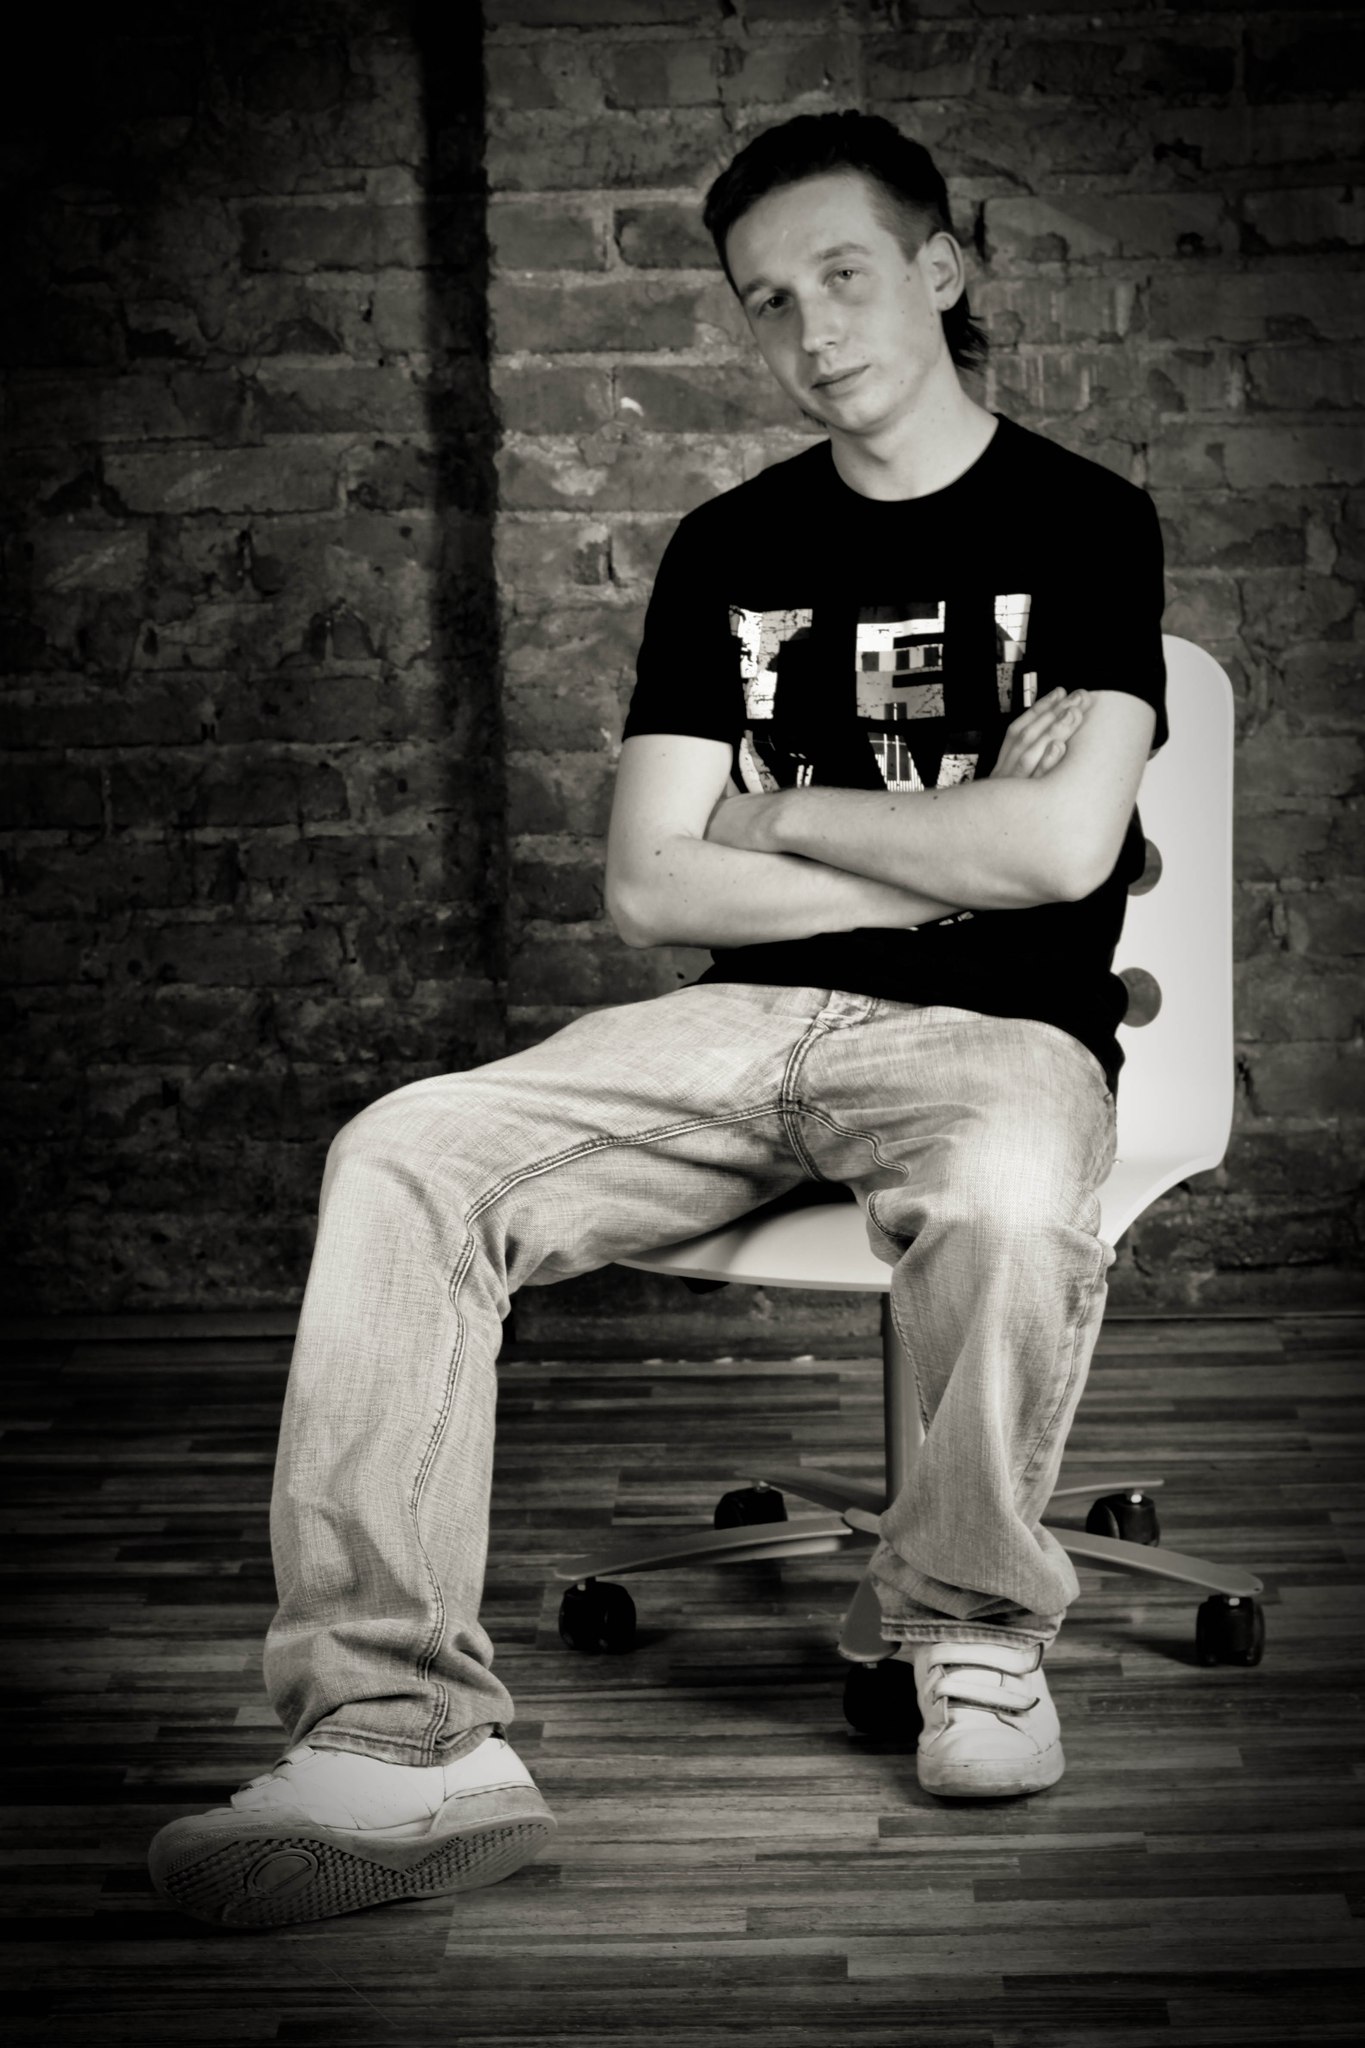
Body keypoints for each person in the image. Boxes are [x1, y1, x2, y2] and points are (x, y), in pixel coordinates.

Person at [148, 109, 1166, 1929]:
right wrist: (946, 856)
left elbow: (1063, 849)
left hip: (999, 1038)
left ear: (940, 268)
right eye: (766, 300)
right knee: (404, 1152)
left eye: (843, 274)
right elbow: (648, 887)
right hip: (741, 1032)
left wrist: (772, 819)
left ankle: (966, 1628)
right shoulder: (726, 546)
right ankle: (400, 1740)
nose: (811, 329)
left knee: (1010, 1195)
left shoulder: (1085, 521)